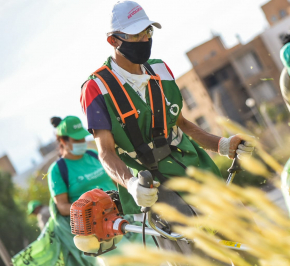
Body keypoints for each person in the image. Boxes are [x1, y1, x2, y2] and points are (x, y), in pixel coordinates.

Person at [80, 0, 254, 259]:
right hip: (154, 187)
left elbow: (181, 124)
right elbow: (105, 153)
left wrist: (222, 145)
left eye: (148, 32)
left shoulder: (161, 70)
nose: (144, 39)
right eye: (135, 34)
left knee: (246, 239)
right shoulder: (96, 89)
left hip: (195, 167)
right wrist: (130, 184)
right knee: (197, 255)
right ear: (114, 41)